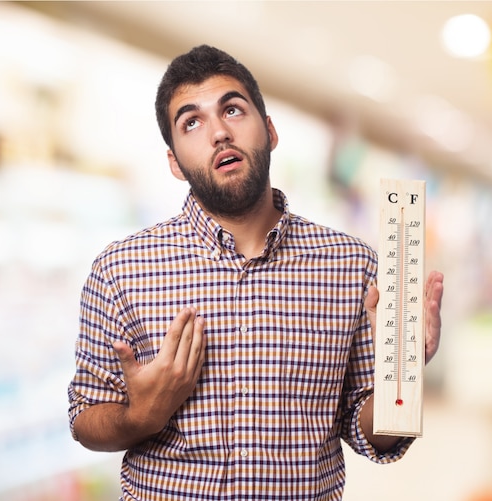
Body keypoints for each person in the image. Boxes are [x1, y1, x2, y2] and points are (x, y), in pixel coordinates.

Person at [68, 44, 444, 501]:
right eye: (192, 122)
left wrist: (401, 374)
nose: (219, 133)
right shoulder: (120, 269)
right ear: (173, 162)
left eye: (232, 109)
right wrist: (140, 417)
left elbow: (373, 434)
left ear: (269, 129)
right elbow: (86, 417)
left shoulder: (352, 264)